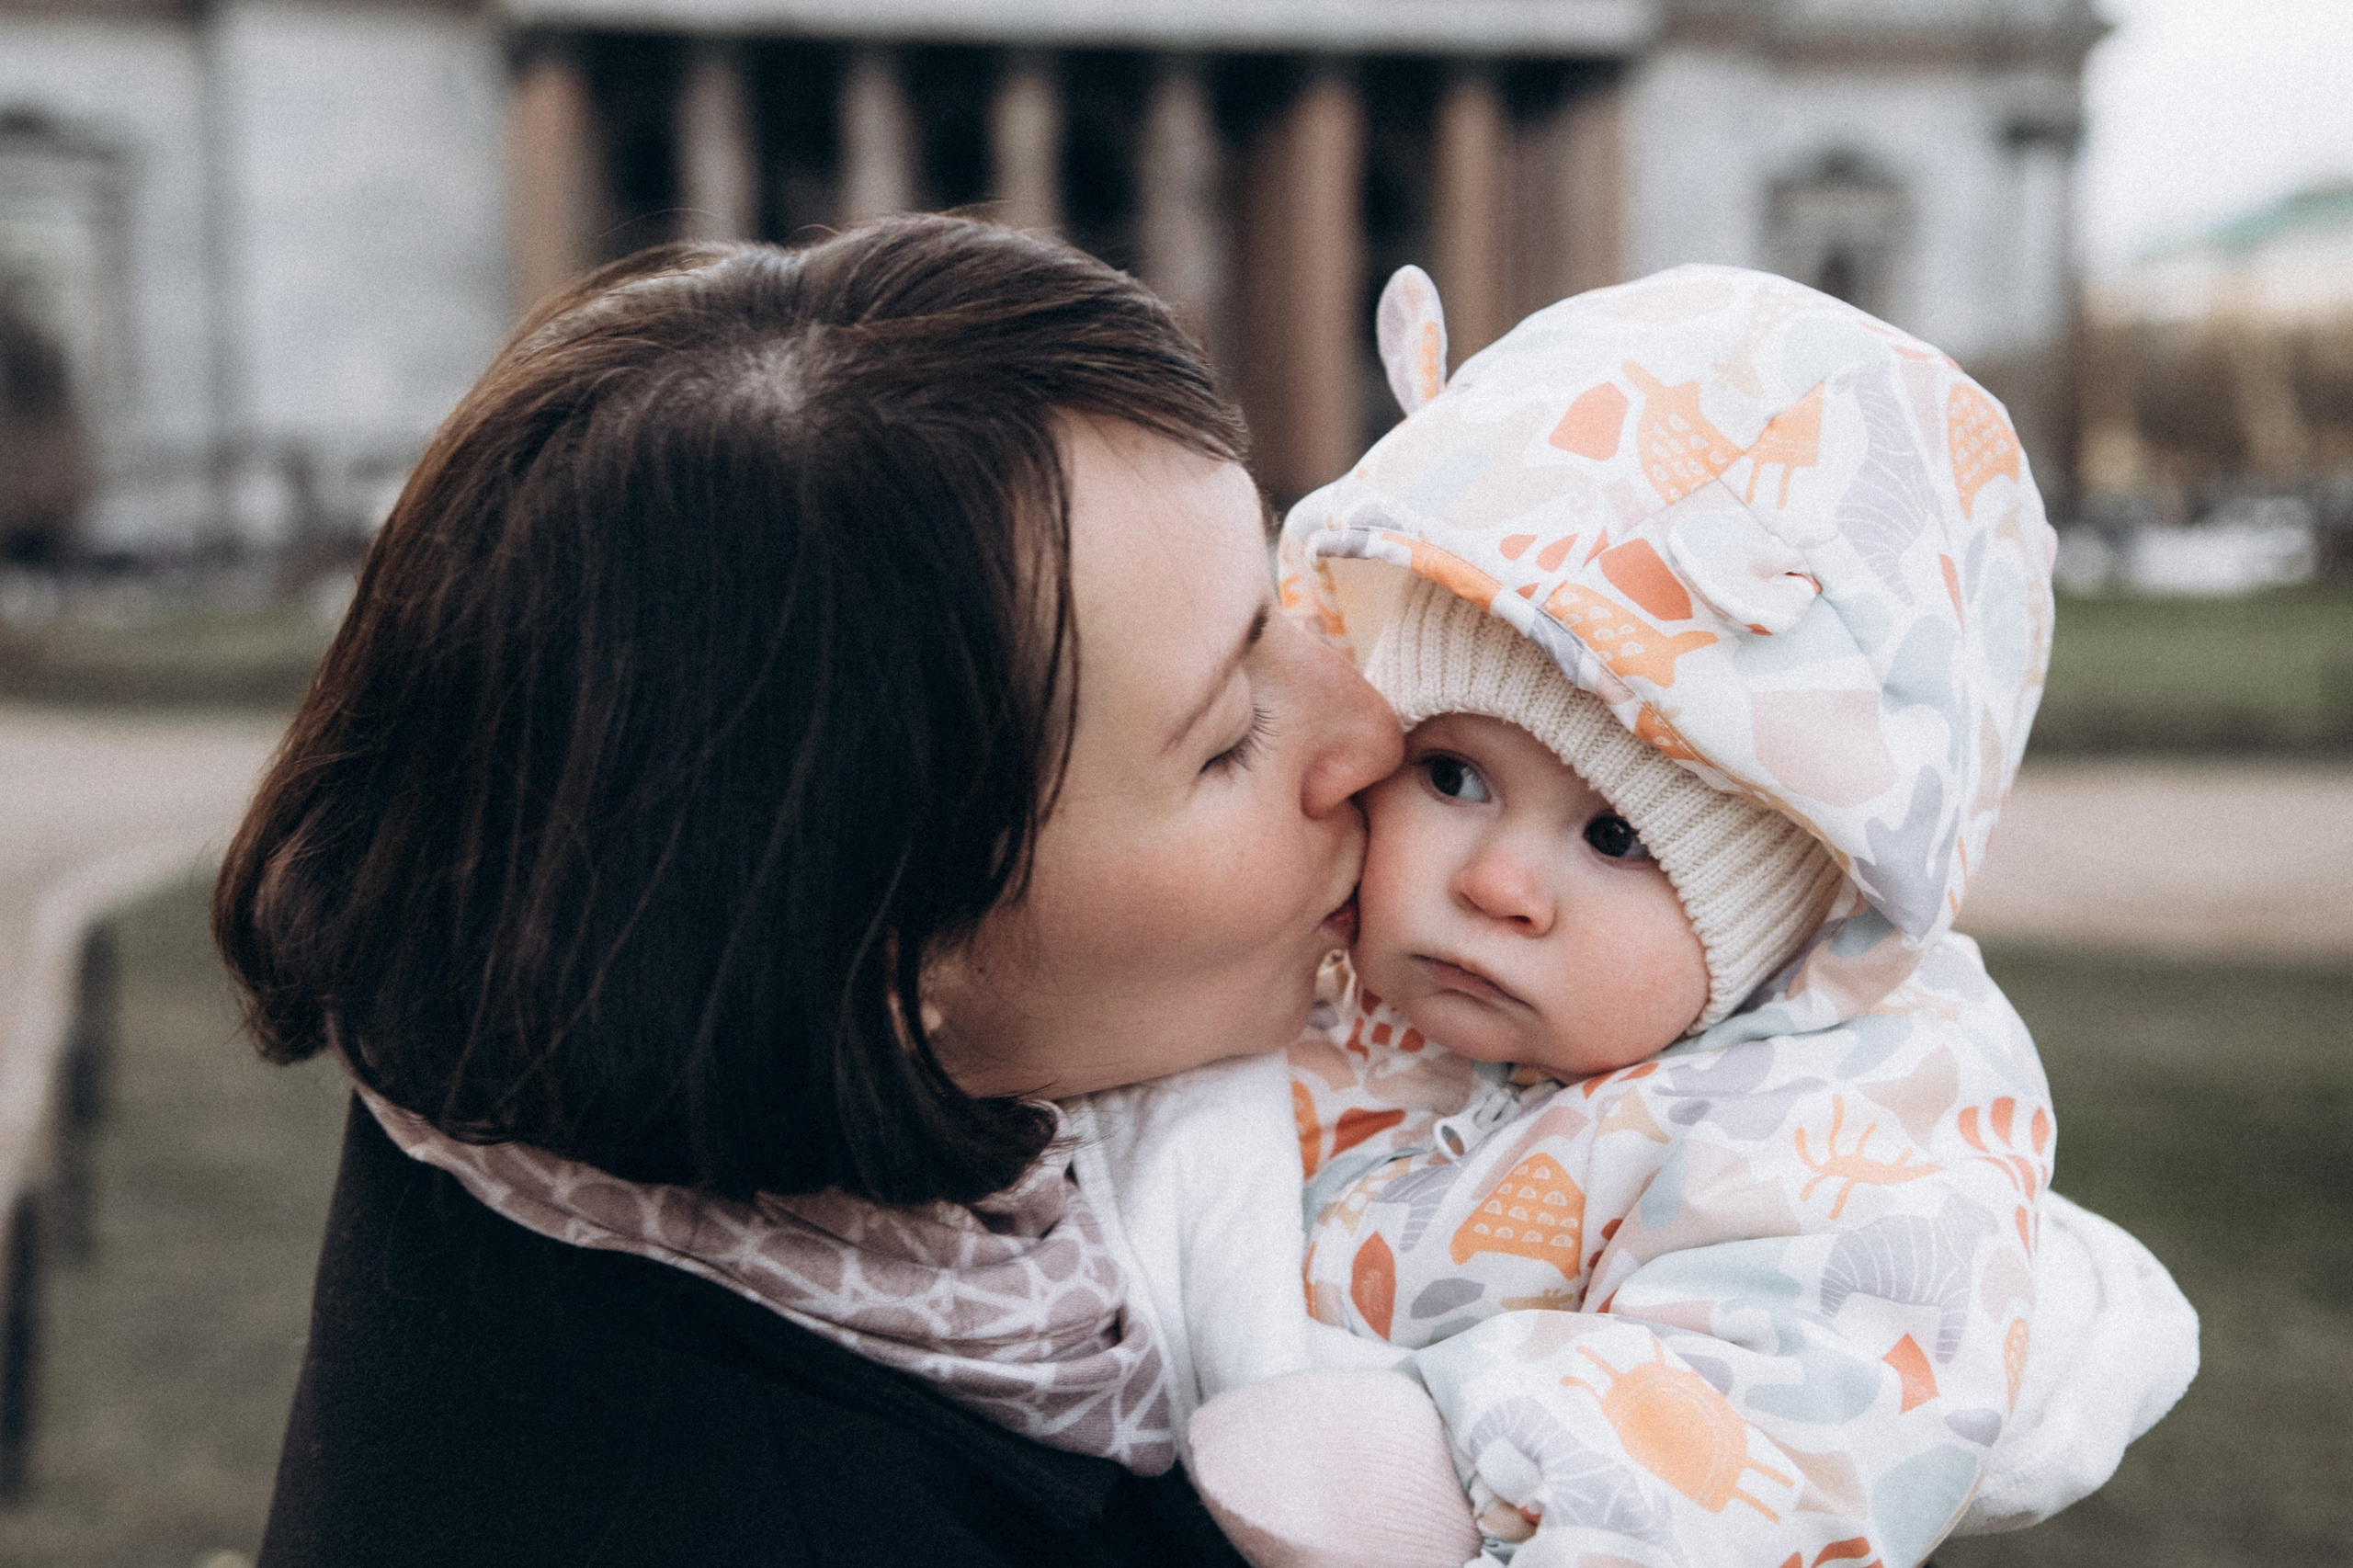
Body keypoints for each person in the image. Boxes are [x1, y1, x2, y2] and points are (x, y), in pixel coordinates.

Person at [213, 217, 1400, 1567]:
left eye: (1282, 601)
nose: (1373, 725)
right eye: (1231, 727)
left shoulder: (537, 1080)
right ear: (892, 973)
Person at [1064, 265, 2198, 1568]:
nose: (1497, 880)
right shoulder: (1307, 986)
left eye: (1615, 836)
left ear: (1770, 912)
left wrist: (1430, 1459)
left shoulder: (1819, 1140)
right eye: (1453, 774)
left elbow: (1776, 1440)